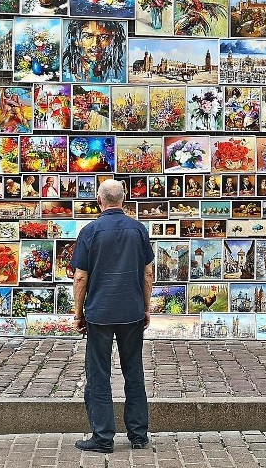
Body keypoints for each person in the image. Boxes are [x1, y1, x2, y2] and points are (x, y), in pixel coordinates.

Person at [72, 179, 153, 453]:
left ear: (99, 200)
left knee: (98, 374)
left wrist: (78, 313)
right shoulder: (138, 229)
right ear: (124, 199)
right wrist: (146, 307)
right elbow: (148, 273)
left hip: (100, 312)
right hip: (131, 311)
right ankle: (139, 434)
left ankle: (103, 437)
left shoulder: (90, 231)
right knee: (134, 372)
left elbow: (80, 277)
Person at [62, 19, 128, 82]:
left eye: (104, 37)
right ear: (76, 40)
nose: (95, 44)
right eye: (87, 36)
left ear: (112, 40)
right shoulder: (64, 74)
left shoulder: (120, 75)